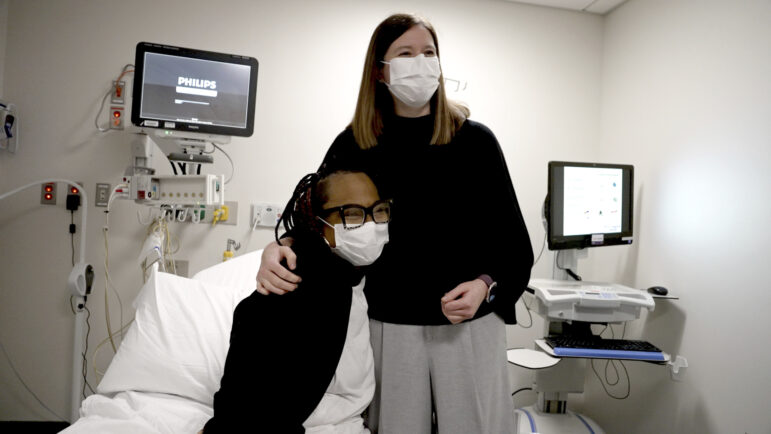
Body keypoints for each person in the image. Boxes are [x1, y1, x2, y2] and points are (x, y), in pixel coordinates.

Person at [256, 13, 533, 433]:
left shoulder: (475, 142)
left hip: (470, 324)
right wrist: (280, 246)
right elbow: (314, 221)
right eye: (405, 53)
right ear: (379, 71)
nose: (420, 62)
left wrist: (484, 286)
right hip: (390, 324)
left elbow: (514, 246)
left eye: (429, 53)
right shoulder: (355, 144)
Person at [202, 170, 392, 434]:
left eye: (379, 211)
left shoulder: (357, 272)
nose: (371, 224)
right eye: (352, 214)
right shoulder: (304, 281)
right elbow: (251, 372)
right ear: (318, 222)